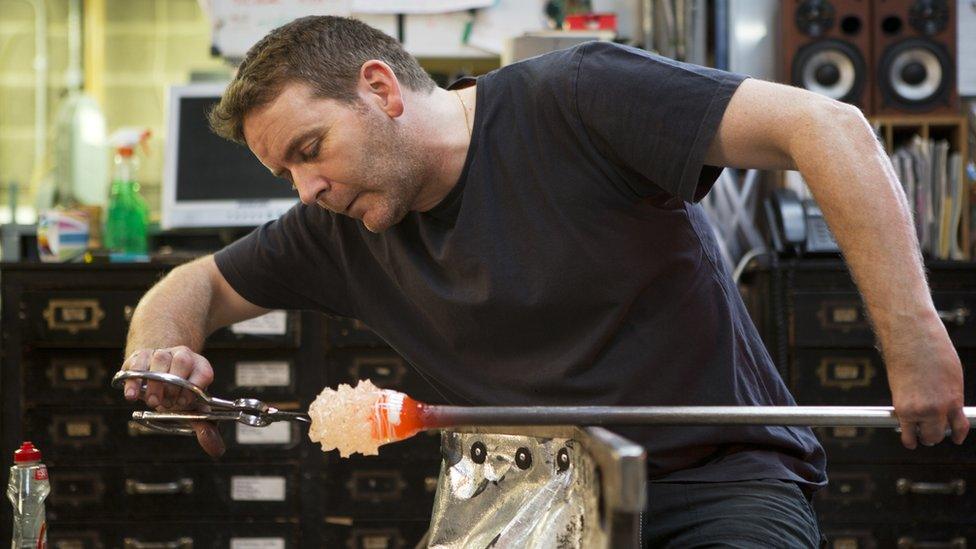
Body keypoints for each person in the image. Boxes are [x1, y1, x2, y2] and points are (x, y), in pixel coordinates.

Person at [120, 15, 968, 547]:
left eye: (309, 149)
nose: (307, 189)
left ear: (379, 89)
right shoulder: (339, 227)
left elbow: (827, 126)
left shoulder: (576, 98)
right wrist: (161, 351)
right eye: (287, 174)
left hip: (715, 485)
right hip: (526, 500)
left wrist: (915, 339)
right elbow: (194, 282)